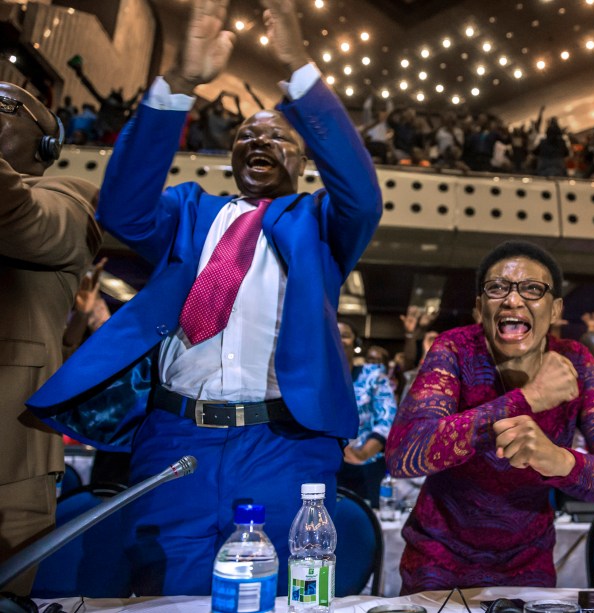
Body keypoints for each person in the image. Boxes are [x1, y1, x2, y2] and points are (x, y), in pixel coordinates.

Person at [28, 0, 381, 596]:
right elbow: (122, 209)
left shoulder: (319, 224)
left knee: (277, 601)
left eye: (277, 135)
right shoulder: (190, 213)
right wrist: (182, 82)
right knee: (168, 595)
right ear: (232, 154)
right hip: (175, 435)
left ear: (301, 159)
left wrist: (298, 68)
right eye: (247, 134)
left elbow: (364, 197)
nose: (259, 139)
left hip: (284, 445)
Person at [386, 240, 594, 593]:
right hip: (438, 561)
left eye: (532, 289)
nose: (512, 299)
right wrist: (528, 399)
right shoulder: (455, 349)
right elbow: (404, 454)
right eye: (497, 288)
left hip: (529, 566)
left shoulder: (577, 362)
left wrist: (559, 460)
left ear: (555, 310)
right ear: (480, 308)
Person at [0, 82, 101, 595]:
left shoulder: (68, 200)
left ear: (46, 146)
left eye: (3, 105)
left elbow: (14, 215)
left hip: (7, 468)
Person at [337, 322, 398, 507]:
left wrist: (362, 454)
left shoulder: (373, 375)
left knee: (366, 522)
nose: (339, 338)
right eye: (333, 332)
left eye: (345, 334)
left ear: (355, 342)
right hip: (328, 464)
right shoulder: (317, 376)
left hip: (367, 464)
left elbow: (387, 417)